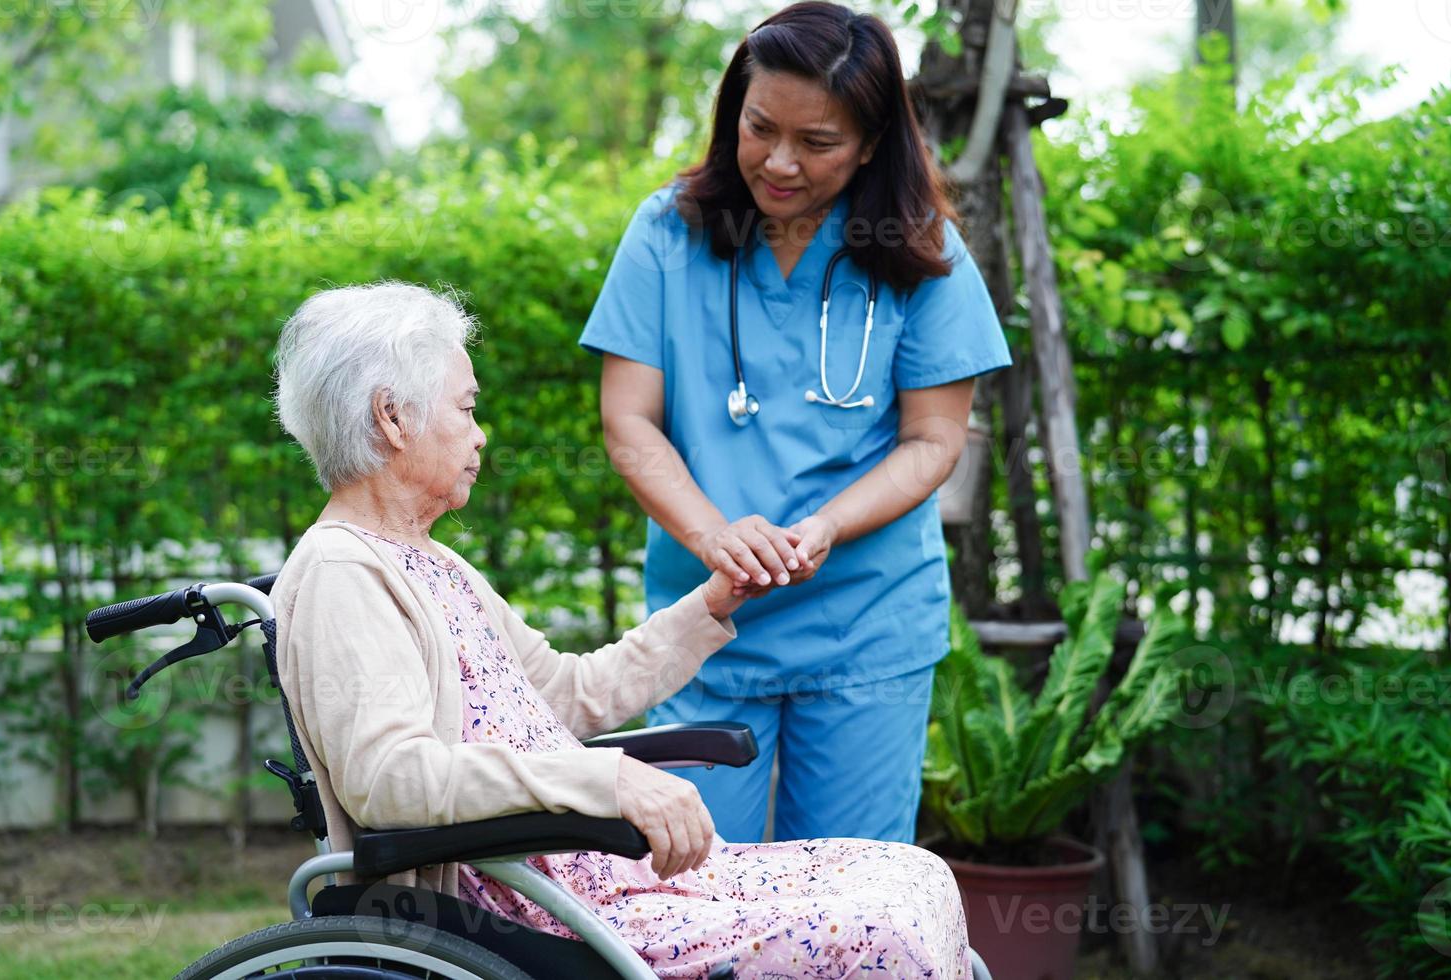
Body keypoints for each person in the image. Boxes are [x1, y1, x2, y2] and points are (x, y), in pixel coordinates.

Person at [269, 281, 973, 978]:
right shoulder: (343, 573)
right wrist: (602, 781)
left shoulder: (433, 563)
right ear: (392, 417)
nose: (481, 434)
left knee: (911, 873)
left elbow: (571, 693)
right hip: (541, 910)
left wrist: (713, 604)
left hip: (600, 883)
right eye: (467, 408)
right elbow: (391, 780)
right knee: (882, 925)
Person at [580, 1, 1011, 845]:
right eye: (759, 127)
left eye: (817, 143)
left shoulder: (920, 250)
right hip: (704, 621)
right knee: (695, 890)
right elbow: (629, 420)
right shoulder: (669, 233)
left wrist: (823, 528)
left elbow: (935, 440)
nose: (778, 163)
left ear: (872, 141)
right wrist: (713, 537)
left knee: (850, 895)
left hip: (866, 627)